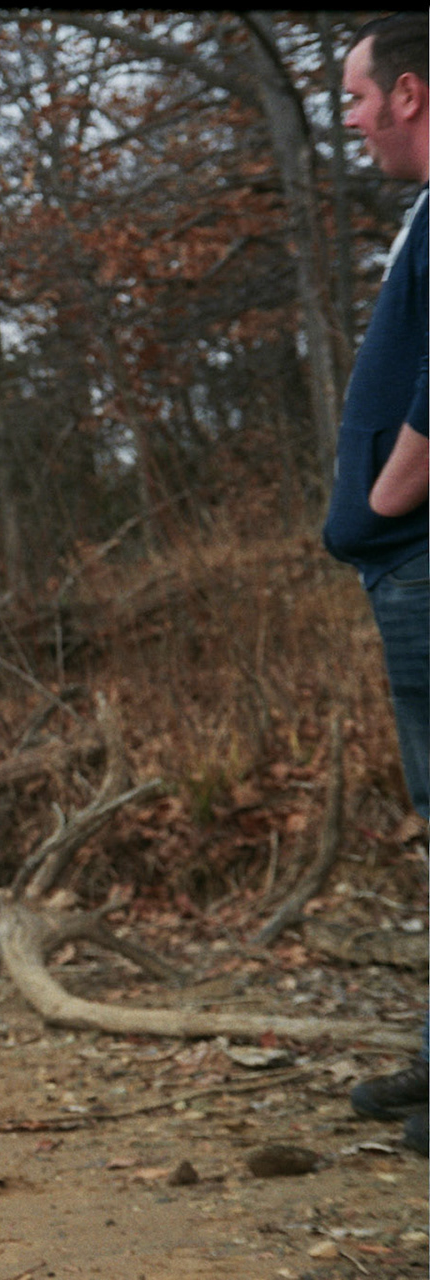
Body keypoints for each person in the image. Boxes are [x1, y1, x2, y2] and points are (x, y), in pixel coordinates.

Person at [323, 11, 429, 1157]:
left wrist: (389, 497)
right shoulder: (423, 216)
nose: (349, 119)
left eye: (355, 96)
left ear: (406, 91)